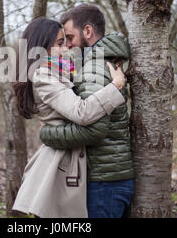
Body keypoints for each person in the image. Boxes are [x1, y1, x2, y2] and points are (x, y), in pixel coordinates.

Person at [12, 17, 126, 218]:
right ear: (41, 46)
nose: (65, 48)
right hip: (63, 162)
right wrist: (115, 86)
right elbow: (81, 112)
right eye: (59, 43)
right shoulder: (42, 76)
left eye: (64, 42)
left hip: (72, 153)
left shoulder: (57, 71)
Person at [40, 4, 135, 218]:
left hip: (103, 182)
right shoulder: (103, 62)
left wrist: (47, 134)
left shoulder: (95, 68)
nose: (69, 45)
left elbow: (93, 130)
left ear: (88, 31)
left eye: (70, 37)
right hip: (110, 177)